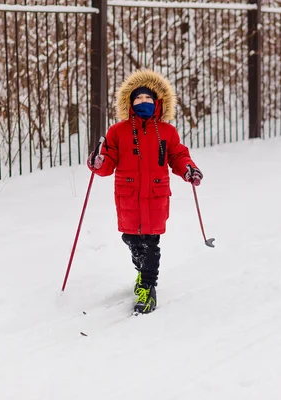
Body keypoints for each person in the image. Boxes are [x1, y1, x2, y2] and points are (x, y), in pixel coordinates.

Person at [87, 69, 203, 314]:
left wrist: (188, 169)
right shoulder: (117, 131)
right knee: (131, 239)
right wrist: (97, 162)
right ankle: (143, 272)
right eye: (138, 99)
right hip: (128, 195)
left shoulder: (167, 131)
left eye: (148, 99)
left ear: (157, 102)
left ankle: (147, 287)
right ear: (129, 103)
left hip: (155, 196)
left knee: (151, 243)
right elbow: (107, 163)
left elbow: (178, 156)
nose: (143, 103)